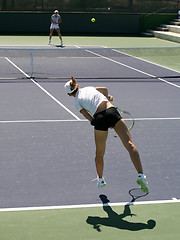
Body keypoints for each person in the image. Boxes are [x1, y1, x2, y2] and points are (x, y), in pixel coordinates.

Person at [64, 76, 149, 193]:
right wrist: (107, 98)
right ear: (77, 85)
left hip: (99, 119)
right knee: (130, 145)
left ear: (69, 95)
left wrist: (101, 122)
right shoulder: (89, 88)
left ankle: (100, 180)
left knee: (99, 153)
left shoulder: (77, 103)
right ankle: (141, 175)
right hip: (111, 111)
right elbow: (104, 89)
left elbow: (89, 118)